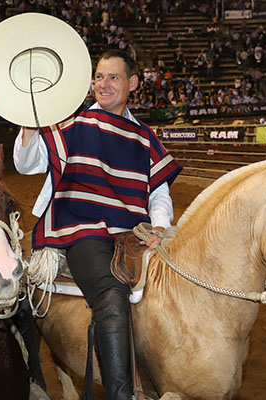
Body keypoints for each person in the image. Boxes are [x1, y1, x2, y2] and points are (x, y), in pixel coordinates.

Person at [14, 50, 182, 400]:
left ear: (133, 83)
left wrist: (162, 226)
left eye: (113, 77)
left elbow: (159, 192)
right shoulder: (73, 124)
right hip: (83, 229)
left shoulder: (145, 136)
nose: (103, 84)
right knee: (110, 294)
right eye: (99, 77)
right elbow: (26, 163)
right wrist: (30, 120)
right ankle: (122, 395)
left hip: (135, 232)